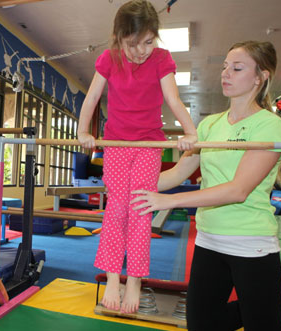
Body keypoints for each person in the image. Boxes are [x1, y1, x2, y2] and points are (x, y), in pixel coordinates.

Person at [131, 40, 281, 330]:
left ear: (260, 77)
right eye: (225, 66)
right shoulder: (209, 125)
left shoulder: (269, 125)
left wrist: (170, 201)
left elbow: (238, 190)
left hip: (251, 243)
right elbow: (177, 173)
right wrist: (128, 182)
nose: (226, 73)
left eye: (237, 68)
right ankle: (270, 303)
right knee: (202, 325)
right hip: (209, 240)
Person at [77, 0, 197, 314]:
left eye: (147, 42)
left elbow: (173, 98)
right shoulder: (108, 58)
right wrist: (83, 132)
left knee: (140, 208)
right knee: (116, 209)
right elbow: (92, 97)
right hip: (115, 143)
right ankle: (114, 278)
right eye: (133, 44)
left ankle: (135, 279)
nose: (141, 50)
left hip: (149, 145)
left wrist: (190, 133)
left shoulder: (162, 59)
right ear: (118, 38)